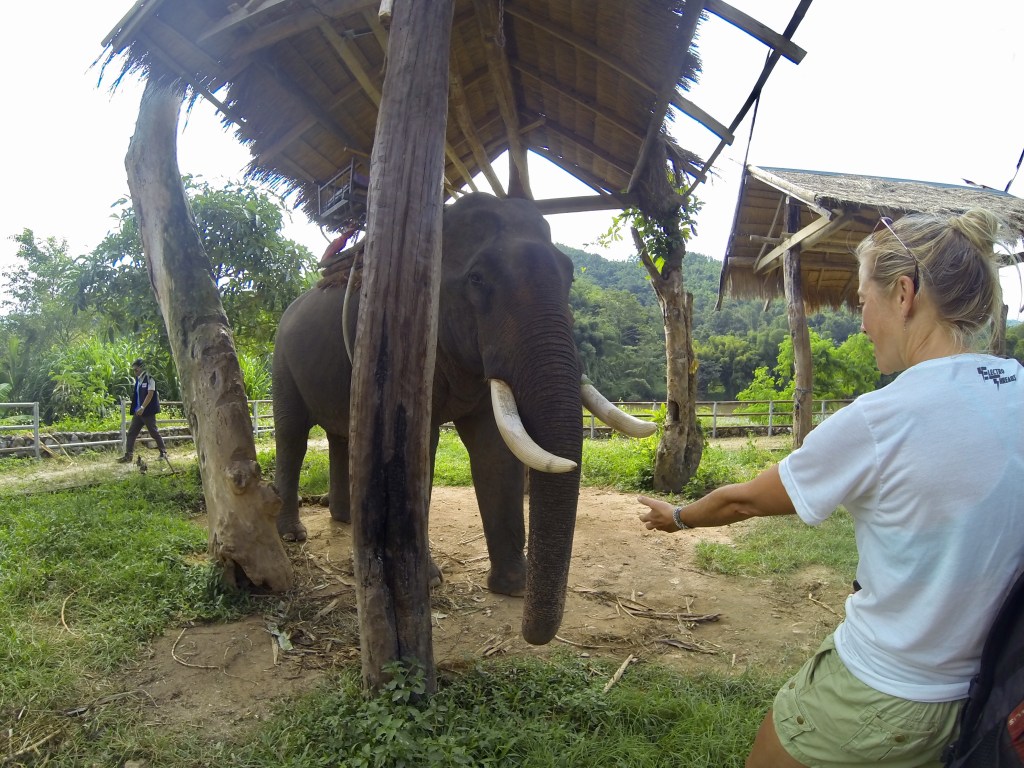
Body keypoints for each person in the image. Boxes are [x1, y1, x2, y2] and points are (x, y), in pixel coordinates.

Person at [637, 209, 1023, 768]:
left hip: (879, 689)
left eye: (862, 301)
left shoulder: (881, 418)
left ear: (903, 295)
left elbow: (744, 499)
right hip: (983, 698)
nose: (861, 322)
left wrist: (676, 516)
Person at [117, 358, 169, 463]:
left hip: (147, 412)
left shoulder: (150, 378)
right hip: (138, 412)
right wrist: (138, 408)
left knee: (154, 432)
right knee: (131, 433)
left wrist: (143, 407)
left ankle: (163, 453)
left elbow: (150, 394)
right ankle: (128, 455)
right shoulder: (138, 380)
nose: (134, 372)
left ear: (142, 368)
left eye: (136, 370)